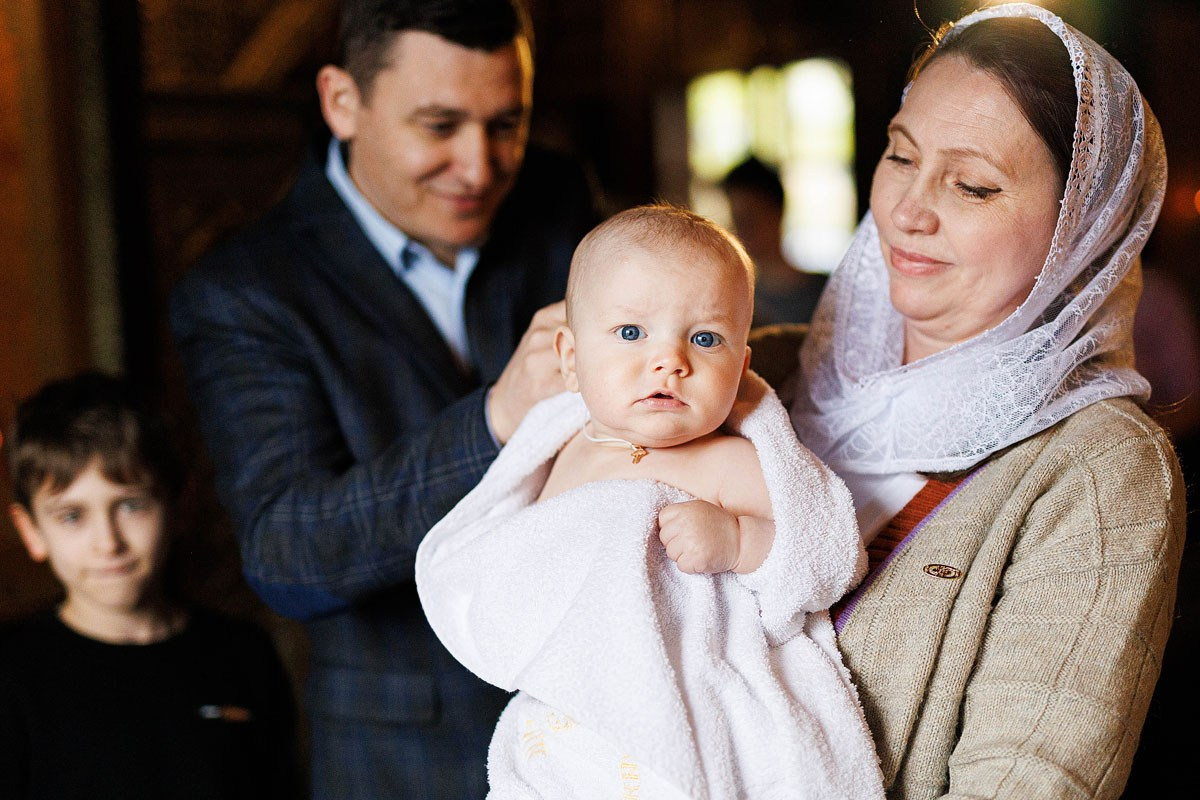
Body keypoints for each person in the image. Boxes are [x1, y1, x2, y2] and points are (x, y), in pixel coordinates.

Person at [167, 0, 597, 797]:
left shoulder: (558, 198)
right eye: (439, 126)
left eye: (506, 124)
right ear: (342, 101)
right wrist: (495, 421)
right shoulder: (244, 291)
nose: (479, 167)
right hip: (409, 757)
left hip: (606, 721)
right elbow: (288, 552)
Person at [780, 4, 1185, 798]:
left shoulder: (1097, 470)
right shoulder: (759, 370)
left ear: (1080, 227)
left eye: (972, 185)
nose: (908, 210)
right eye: (901, 155)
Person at [416, 205, 885, 798]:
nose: (670, 361)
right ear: (570, 359)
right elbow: (515, 563)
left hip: (684, 708)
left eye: (705, 338)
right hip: (569, 718)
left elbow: (825, 557)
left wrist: (739, 540)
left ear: (740, 367)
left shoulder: (731, 461)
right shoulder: (560, 448)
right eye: (632, 333)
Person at [0, 372, 302, 800]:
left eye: (131, 505)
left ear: (181, 505)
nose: (108, 543)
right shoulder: (11, 674)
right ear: (31, 531)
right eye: (72, 516)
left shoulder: (244, 654)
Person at [720, 156, 827, 325]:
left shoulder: (826, 294)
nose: (739, 232)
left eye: (749, 220)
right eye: (736, 221)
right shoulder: (735, 300)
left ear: (777, 212)